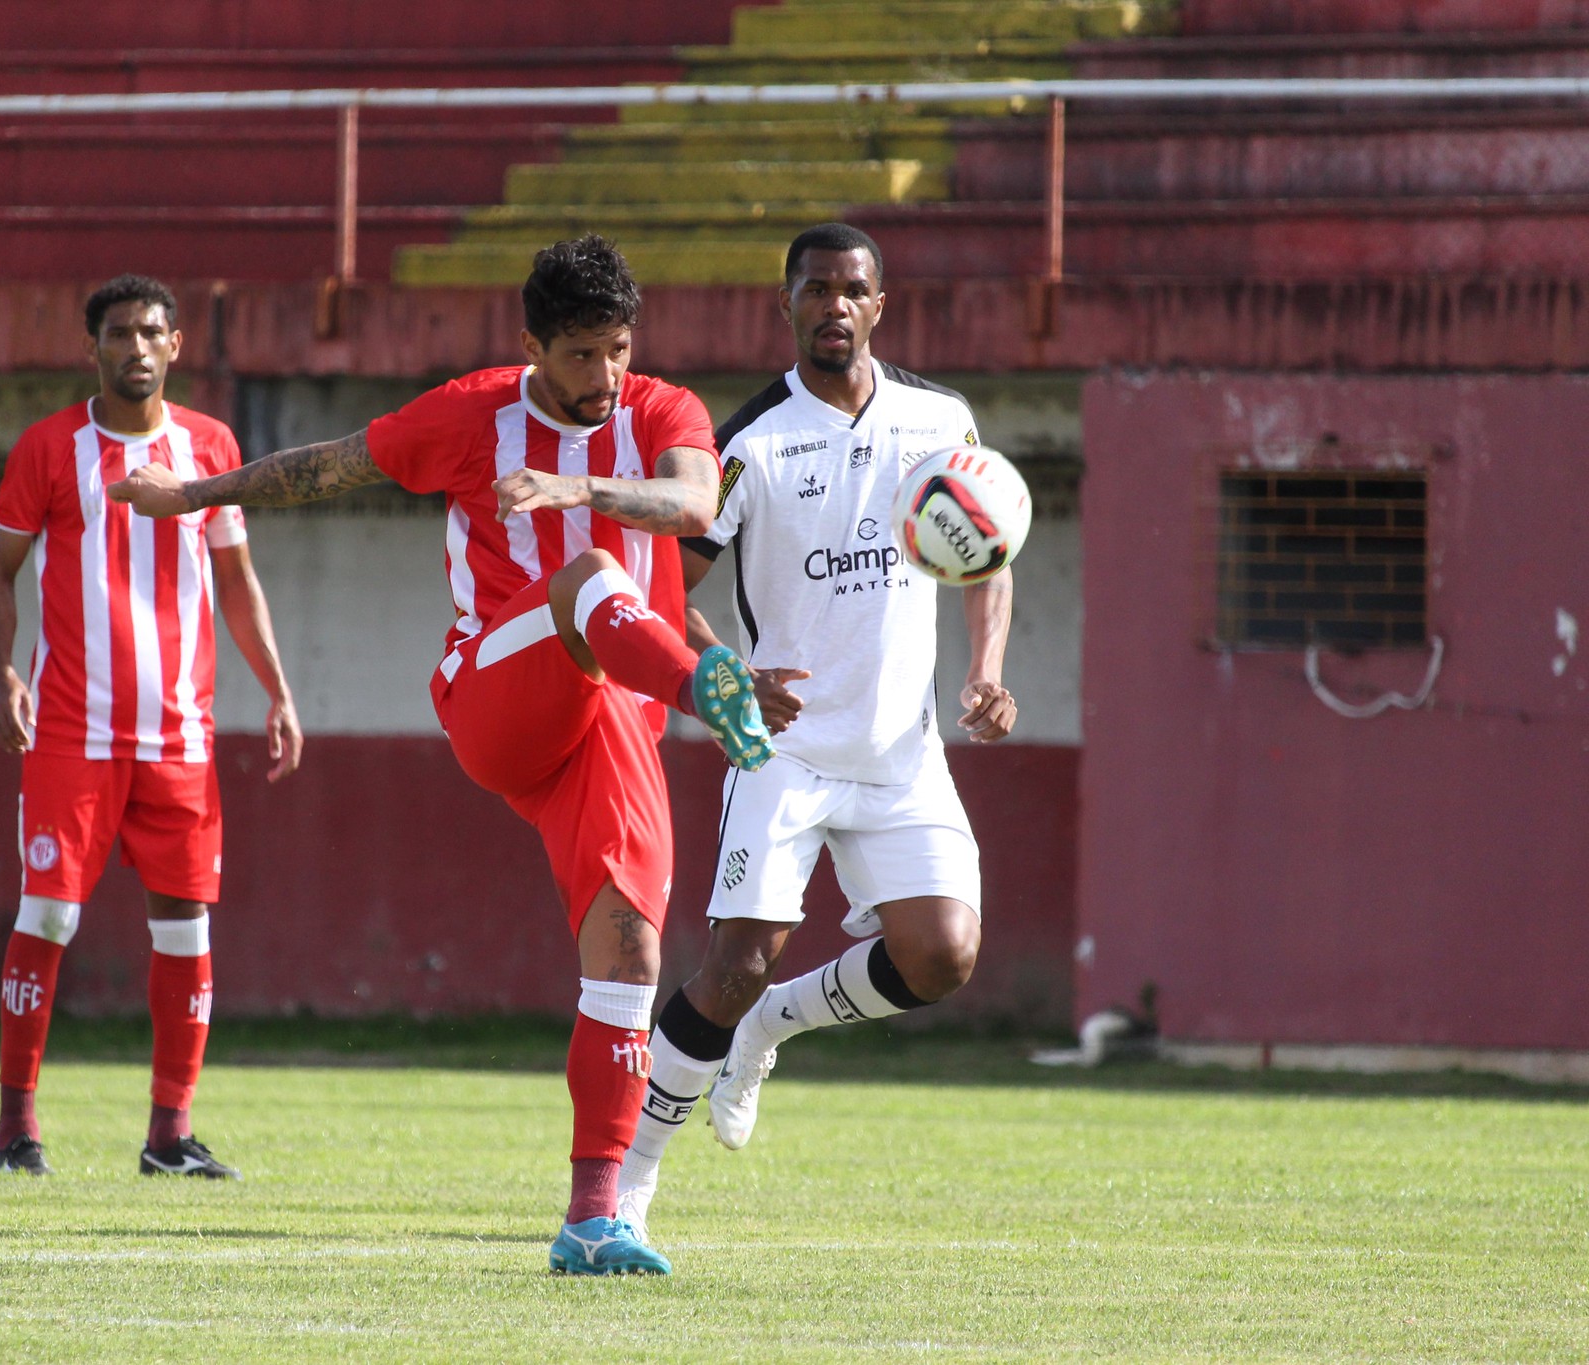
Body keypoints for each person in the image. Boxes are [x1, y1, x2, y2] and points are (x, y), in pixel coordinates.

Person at [108, 235, 773, 1275]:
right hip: (497, 698)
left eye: (616, 350)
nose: (603, 378)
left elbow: (694, 505)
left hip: (612, 722)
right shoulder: (470, 415)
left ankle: (592, 1221)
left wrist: (573, 493)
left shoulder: (660, 409)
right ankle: (701, 692)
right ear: (529, 347)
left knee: (628, 962)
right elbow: (323, 468)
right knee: (589, 578)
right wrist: (186, 497)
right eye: (579, 356)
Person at [612, 223, 1018, 1235]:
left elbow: (987, 545)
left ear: (879, 304)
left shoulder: (938, 420)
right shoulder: (746, 444)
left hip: (898, 753)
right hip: (782, 748)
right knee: (732, 963)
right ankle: (630, 1180)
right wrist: (731, 673)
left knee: (942, 955)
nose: (833, 305)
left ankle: (772, 1025)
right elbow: (664, 583)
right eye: (816, 289)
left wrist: (985, 670)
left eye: (852, 289)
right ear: (783, 304)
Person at [0, 273, 302, 1180]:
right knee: (46, 913)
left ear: (175, 344)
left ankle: (169, 1135)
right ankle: (16, 1132)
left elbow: (235, 581)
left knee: (187, 931)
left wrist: (277, 689)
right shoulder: (49, 450)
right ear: (95, 346)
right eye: (119, 332)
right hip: (71, 736)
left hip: (180, 741)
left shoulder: (211, 446)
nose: (136, 347)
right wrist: (3, 672)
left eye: (151, 332)